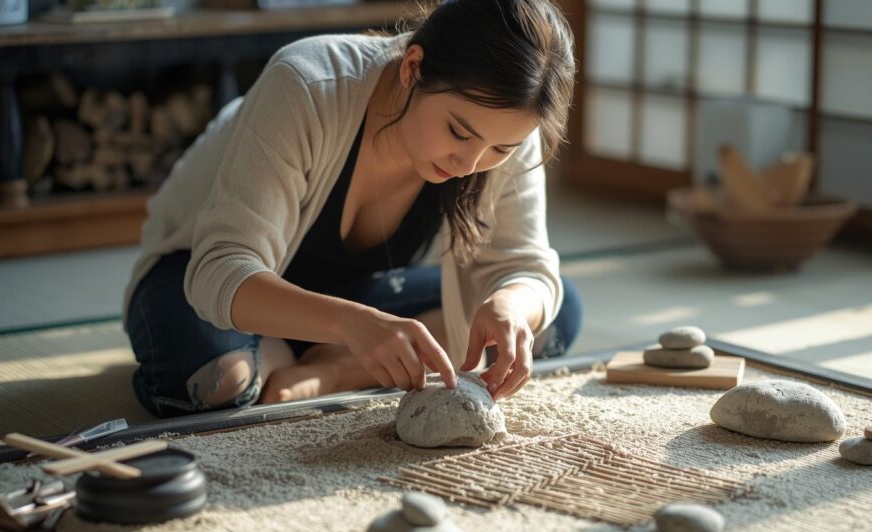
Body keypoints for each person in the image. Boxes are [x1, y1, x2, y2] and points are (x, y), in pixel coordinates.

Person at [122, 0, 582, 418]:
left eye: (501, 148)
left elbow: (526, 266)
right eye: (458, 132)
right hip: (204, 276)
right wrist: (350, 323)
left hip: (359, 299)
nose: (471, 164)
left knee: (547, 317)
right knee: (217, 380)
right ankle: (296, 353)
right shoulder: (306, 85)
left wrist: (509, 305)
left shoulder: (508, 122)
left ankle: (335, 369)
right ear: (413, 68)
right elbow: (219, 270)